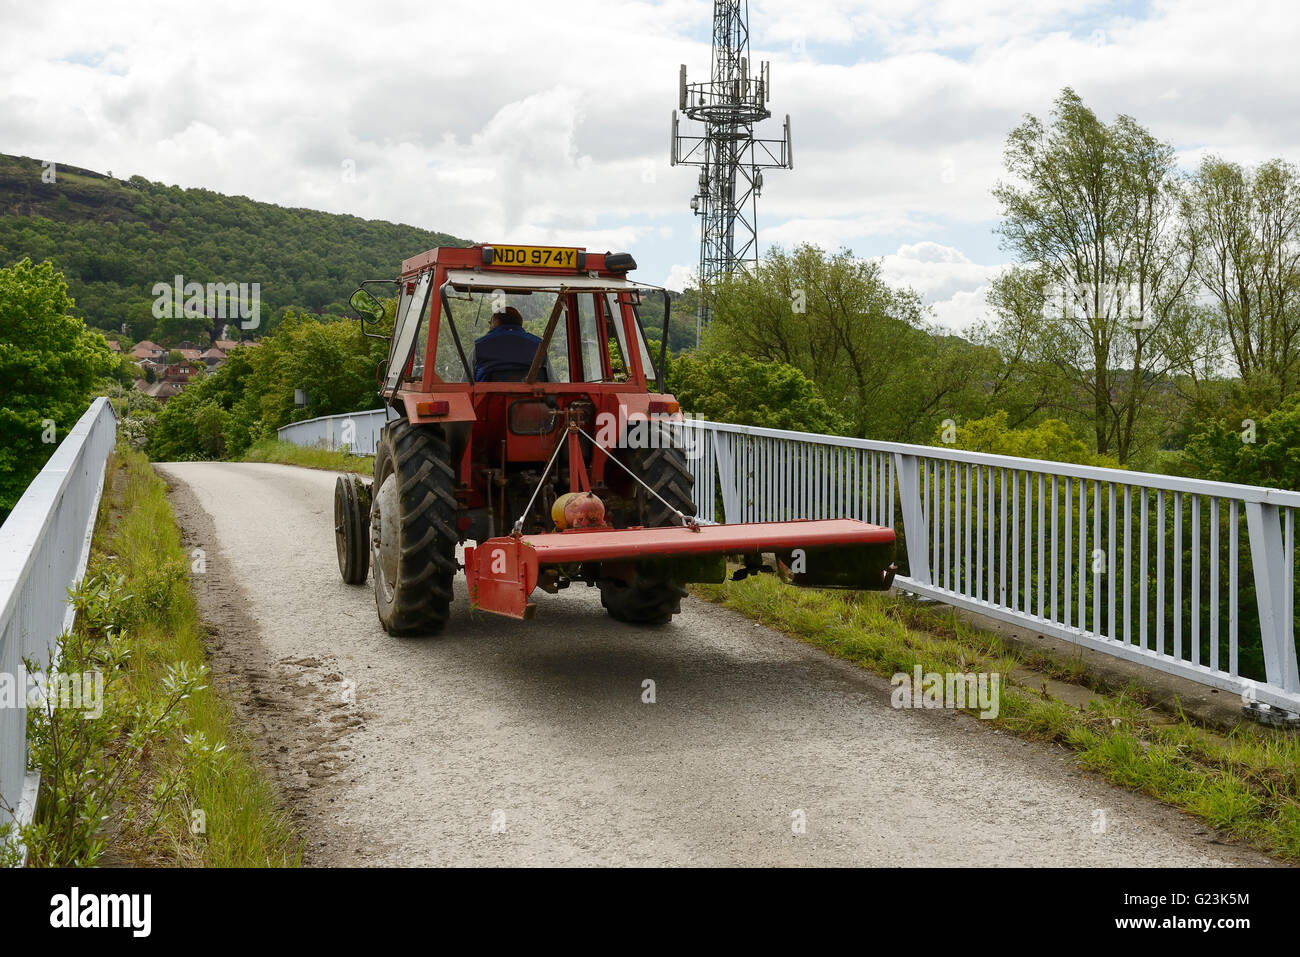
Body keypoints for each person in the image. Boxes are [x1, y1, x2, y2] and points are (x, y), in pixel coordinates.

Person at [469, 306, 553, 382]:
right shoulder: (539, 346)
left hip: (487, 398)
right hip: (536, 397)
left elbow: (465, 383)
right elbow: (553, 380)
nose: (489, 327)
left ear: (496, 322)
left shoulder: (480, 346)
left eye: (490, 323)